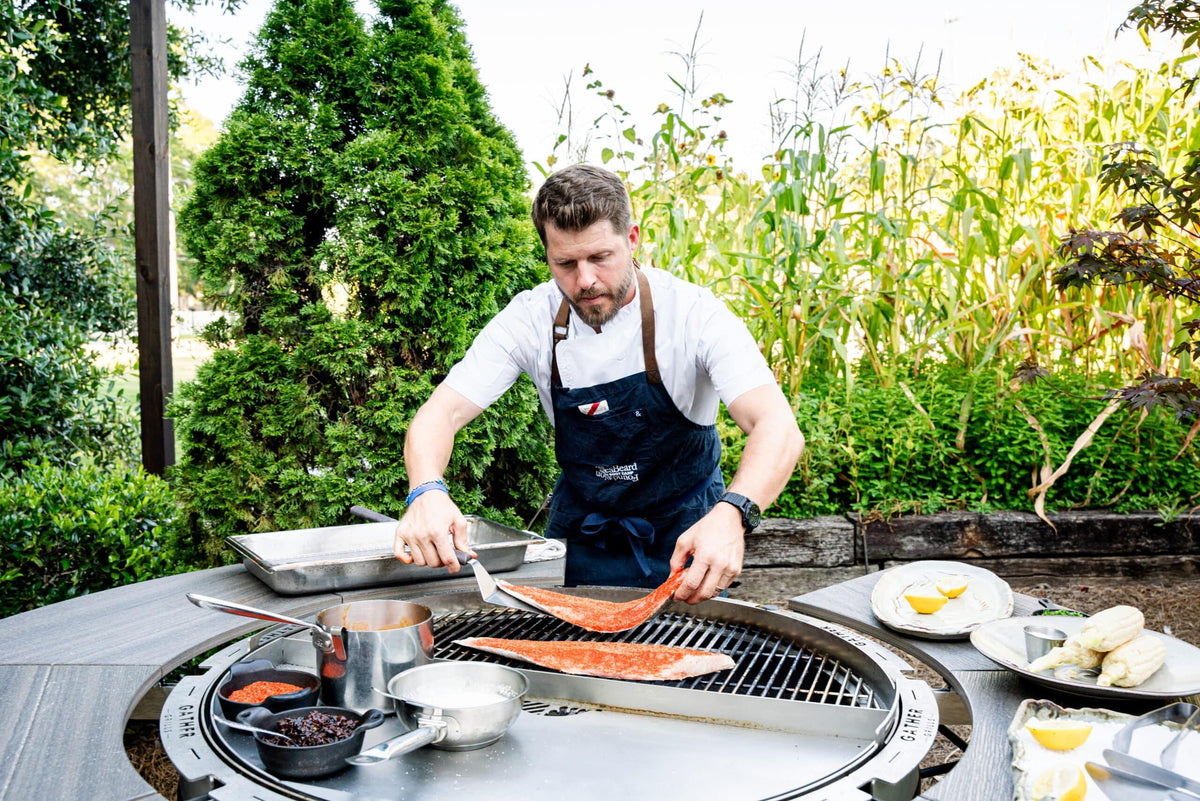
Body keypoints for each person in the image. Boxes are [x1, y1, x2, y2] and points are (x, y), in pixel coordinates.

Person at [394, 164, 803, 603]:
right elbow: (440, 413)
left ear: (632, 239)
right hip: (581, 536)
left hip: (688, 538)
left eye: (600, 258)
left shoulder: (693, 314)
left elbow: (777, 428)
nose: (584, 280)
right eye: (565, 263)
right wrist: (426, 491)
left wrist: (733, 516)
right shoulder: (528, 318)